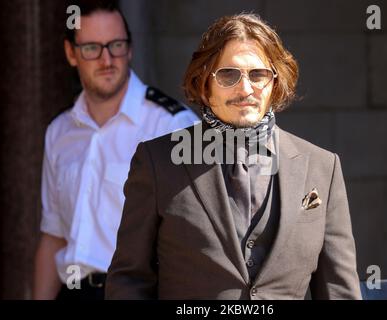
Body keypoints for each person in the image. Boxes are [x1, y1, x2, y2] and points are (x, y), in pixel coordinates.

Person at [105, 13, 361, 300]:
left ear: (275, 83)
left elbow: (339, 291)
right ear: (204, 83)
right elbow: (129, 281)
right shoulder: (157, 162)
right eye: (228, 74)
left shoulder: (322, 168)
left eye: (258, 74)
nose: (246, 89)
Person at [32, 0, 198, 300]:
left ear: (130, 48)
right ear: (71, 53)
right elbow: (54, 236)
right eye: (92, 48)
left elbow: (196, 239)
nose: (107, 59)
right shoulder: (59, 131)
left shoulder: (172, 126)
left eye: (116, 45)